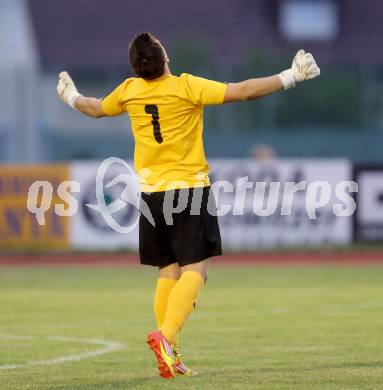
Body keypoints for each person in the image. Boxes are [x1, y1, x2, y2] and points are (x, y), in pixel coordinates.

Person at [57, 32, 320, 379]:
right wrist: (290, 76)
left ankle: (171, 353)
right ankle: (165, 337)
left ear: (137, 68)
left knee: (169, 271)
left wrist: (71, 95)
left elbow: (93, 109)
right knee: (196, 270)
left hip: (150, 195)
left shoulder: (129, 91)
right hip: (188, 190)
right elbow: (242, 90)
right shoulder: (185, 87)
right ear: (164, 58)